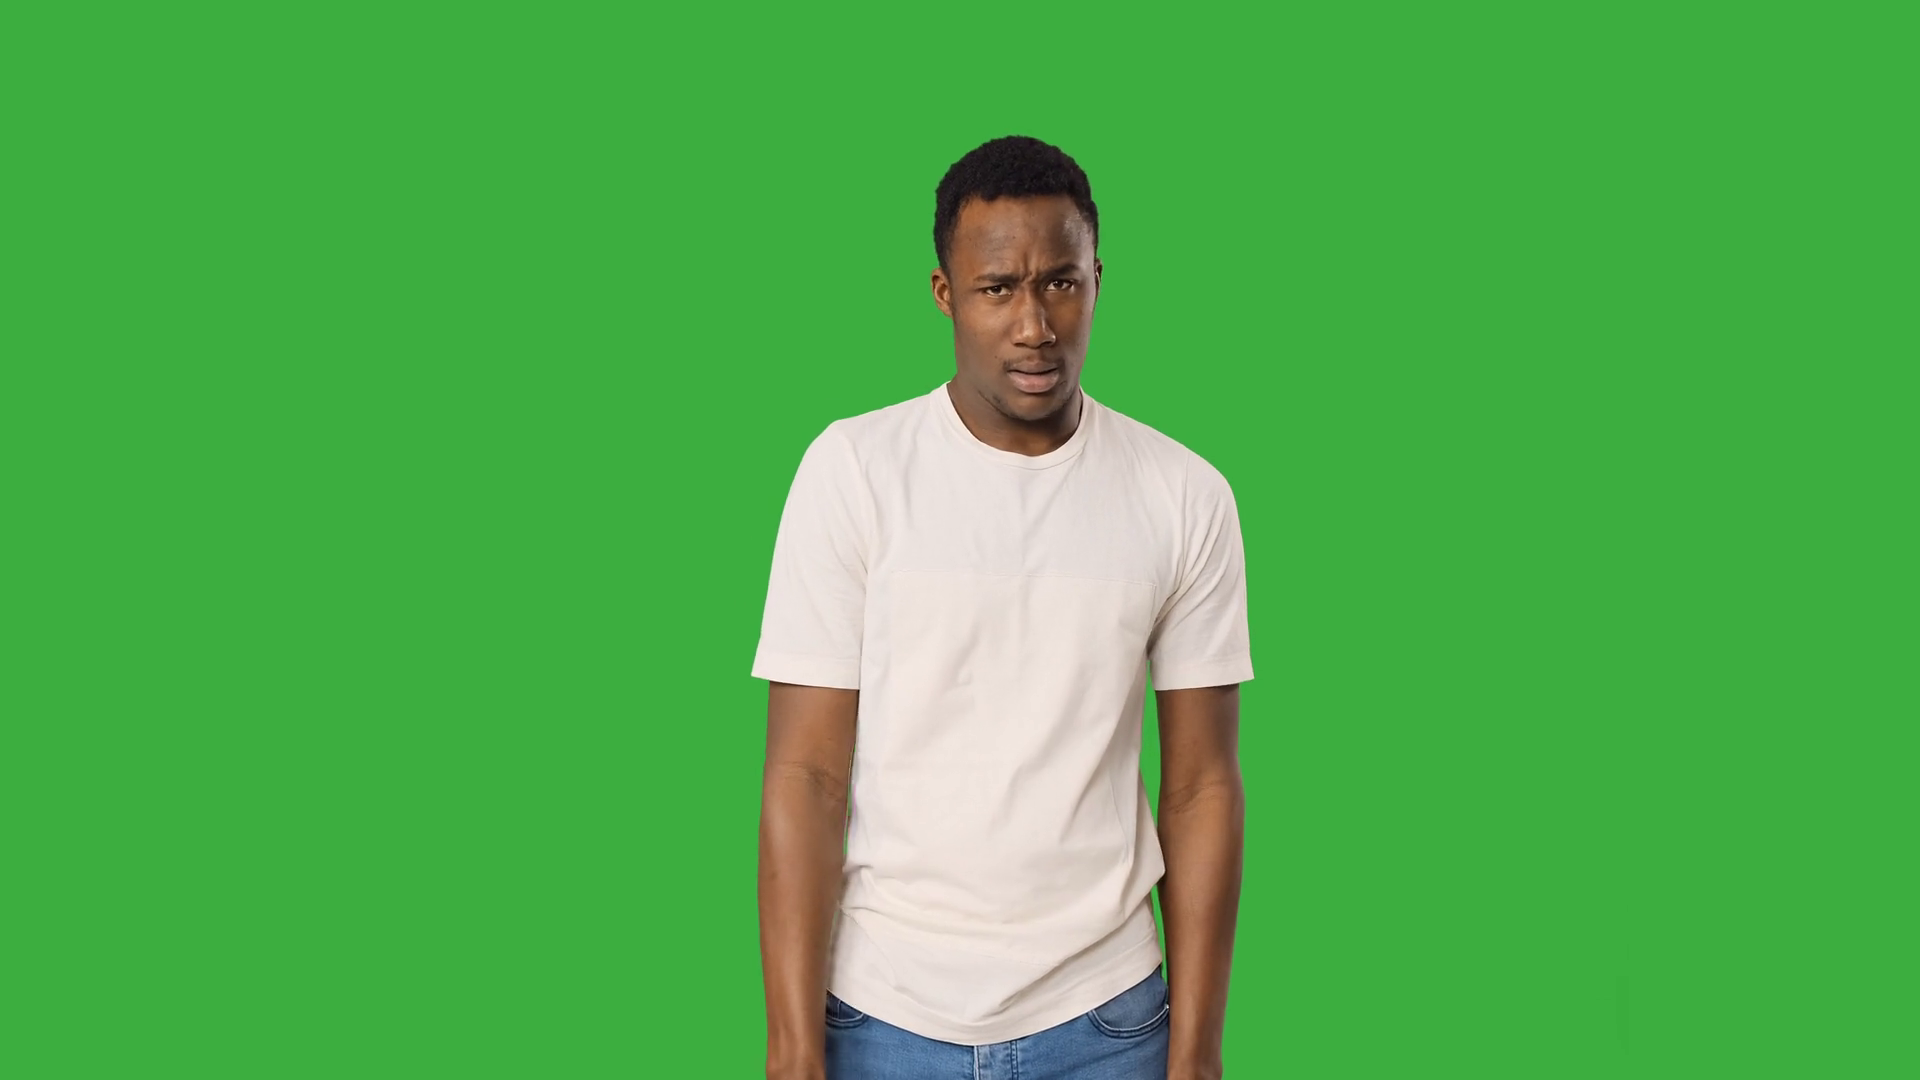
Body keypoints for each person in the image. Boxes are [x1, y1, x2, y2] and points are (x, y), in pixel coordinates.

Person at [754, 135, 1253, 1080]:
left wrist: (1197, 1053)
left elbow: (1201, 788)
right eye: (997, 289)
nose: (1034, 325)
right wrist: (791, 1051)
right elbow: (806, 775)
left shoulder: (1184, 496)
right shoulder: (854, 473)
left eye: (1061, 283)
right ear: (946, 293)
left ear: (1098, 279)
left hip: (1109, 1019)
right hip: (881, 1015)